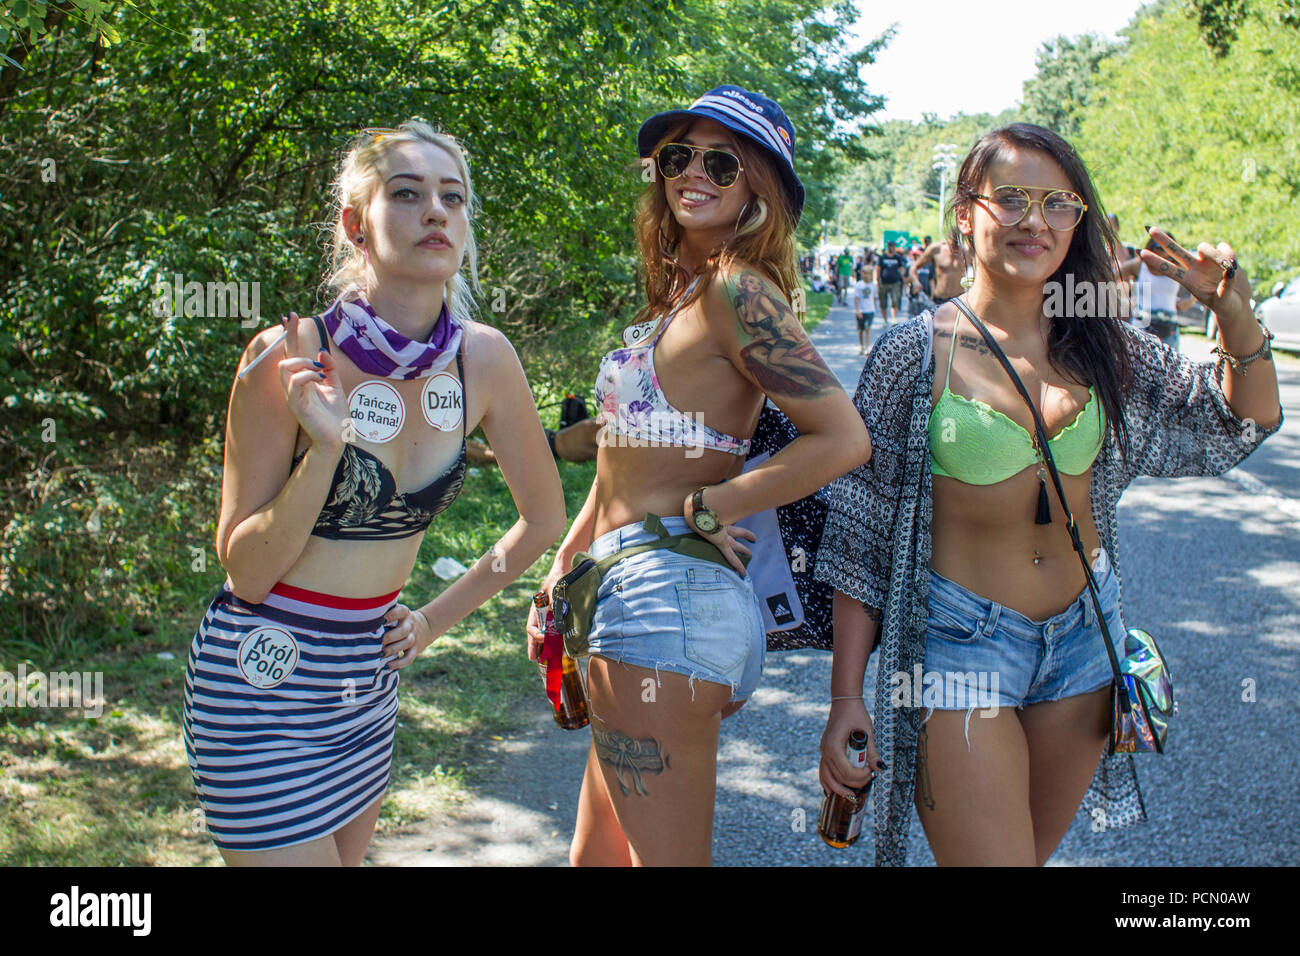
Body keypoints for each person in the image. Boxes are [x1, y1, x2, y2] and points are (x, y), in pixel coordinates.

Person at [814, 122, 1282, 866]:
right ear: (966, 214)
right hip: (959, 646)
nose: (1035, 220)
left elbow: (1242, 422)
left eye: (1058, 202)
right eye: (1012, 199)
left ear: (1077, 222)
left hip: (1084, 647)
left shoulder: (1107, 348)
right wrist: (847, 699)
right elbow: (859, 541)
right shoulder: (913, 355)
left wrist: (1231, 313)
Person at [183, 121, 566, 866]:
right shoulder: (287, 355)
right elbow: (246, 571)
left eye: (452, 198)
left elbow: (544, 517)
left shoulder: (483, 359)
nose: (436, 212)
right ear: (356, 225)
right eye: (408, 194)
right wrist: (326, 447)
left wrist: (428, 622)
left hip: (365, 686)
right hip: (262, 678)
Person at [527, 86, 870, 867]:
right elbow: (621, 453)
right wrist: (565, 562)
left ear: (759, 186)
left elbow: (842, 437)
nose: (696, 173)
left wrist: (718, 501)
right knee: (597, 860)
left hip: (665, 606)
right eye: (679, 156)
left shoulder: (736, 289)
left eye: (724, 161)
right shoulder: (680, 292)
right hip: (627, 589)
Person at [1120, 229, 1194, 351]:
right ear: (1151, 247)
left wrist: (1190, 301)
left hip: (1168, 329)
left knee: (1170, 368)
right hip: (1141, 328)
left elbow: (1198, 285)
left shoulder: (1178, 269)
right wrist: (1124, 299)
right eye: (1158, 247)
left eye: (1167, 249)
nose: (1161, 252)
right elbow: (1110, 279)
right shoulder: (1139, 265)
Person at [910, 235, 966, 305]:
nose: (955, 249)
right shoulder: (936, 249)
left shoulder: (966, 251)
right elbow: (913, 268)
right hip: (940, 299)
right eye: (953, 244)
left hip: (959, 299)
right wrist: (916, 282)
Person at [874, 239, 908, 324]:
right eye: (891, 246)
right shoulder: (882, 257)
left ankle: (893, 318)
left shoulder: (898, 257)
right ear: (888, 246)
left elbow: (902, 268)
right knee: (883, 302)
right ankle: (884, 319)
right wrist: (876, 280)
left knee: (894, 300)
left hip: (895, 282)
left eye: (894, 246)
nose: (892, 248)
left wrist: (902, 276)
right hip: (883, 283)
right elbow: (878, 268)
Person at [851, 273, 877, 355]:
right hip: (861, 311)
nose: (867, 275)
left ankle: (867, 347)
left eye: (869, 273)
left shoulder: (874, 285)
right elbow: (856, 298)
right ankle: (861, 346)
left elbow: (874, 297)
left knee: (868, 328)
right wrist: (858, 310)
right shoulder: (858, 285)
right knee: (861, 330)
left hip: (870, 310)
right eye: (865, 273)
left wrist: (874, 308)